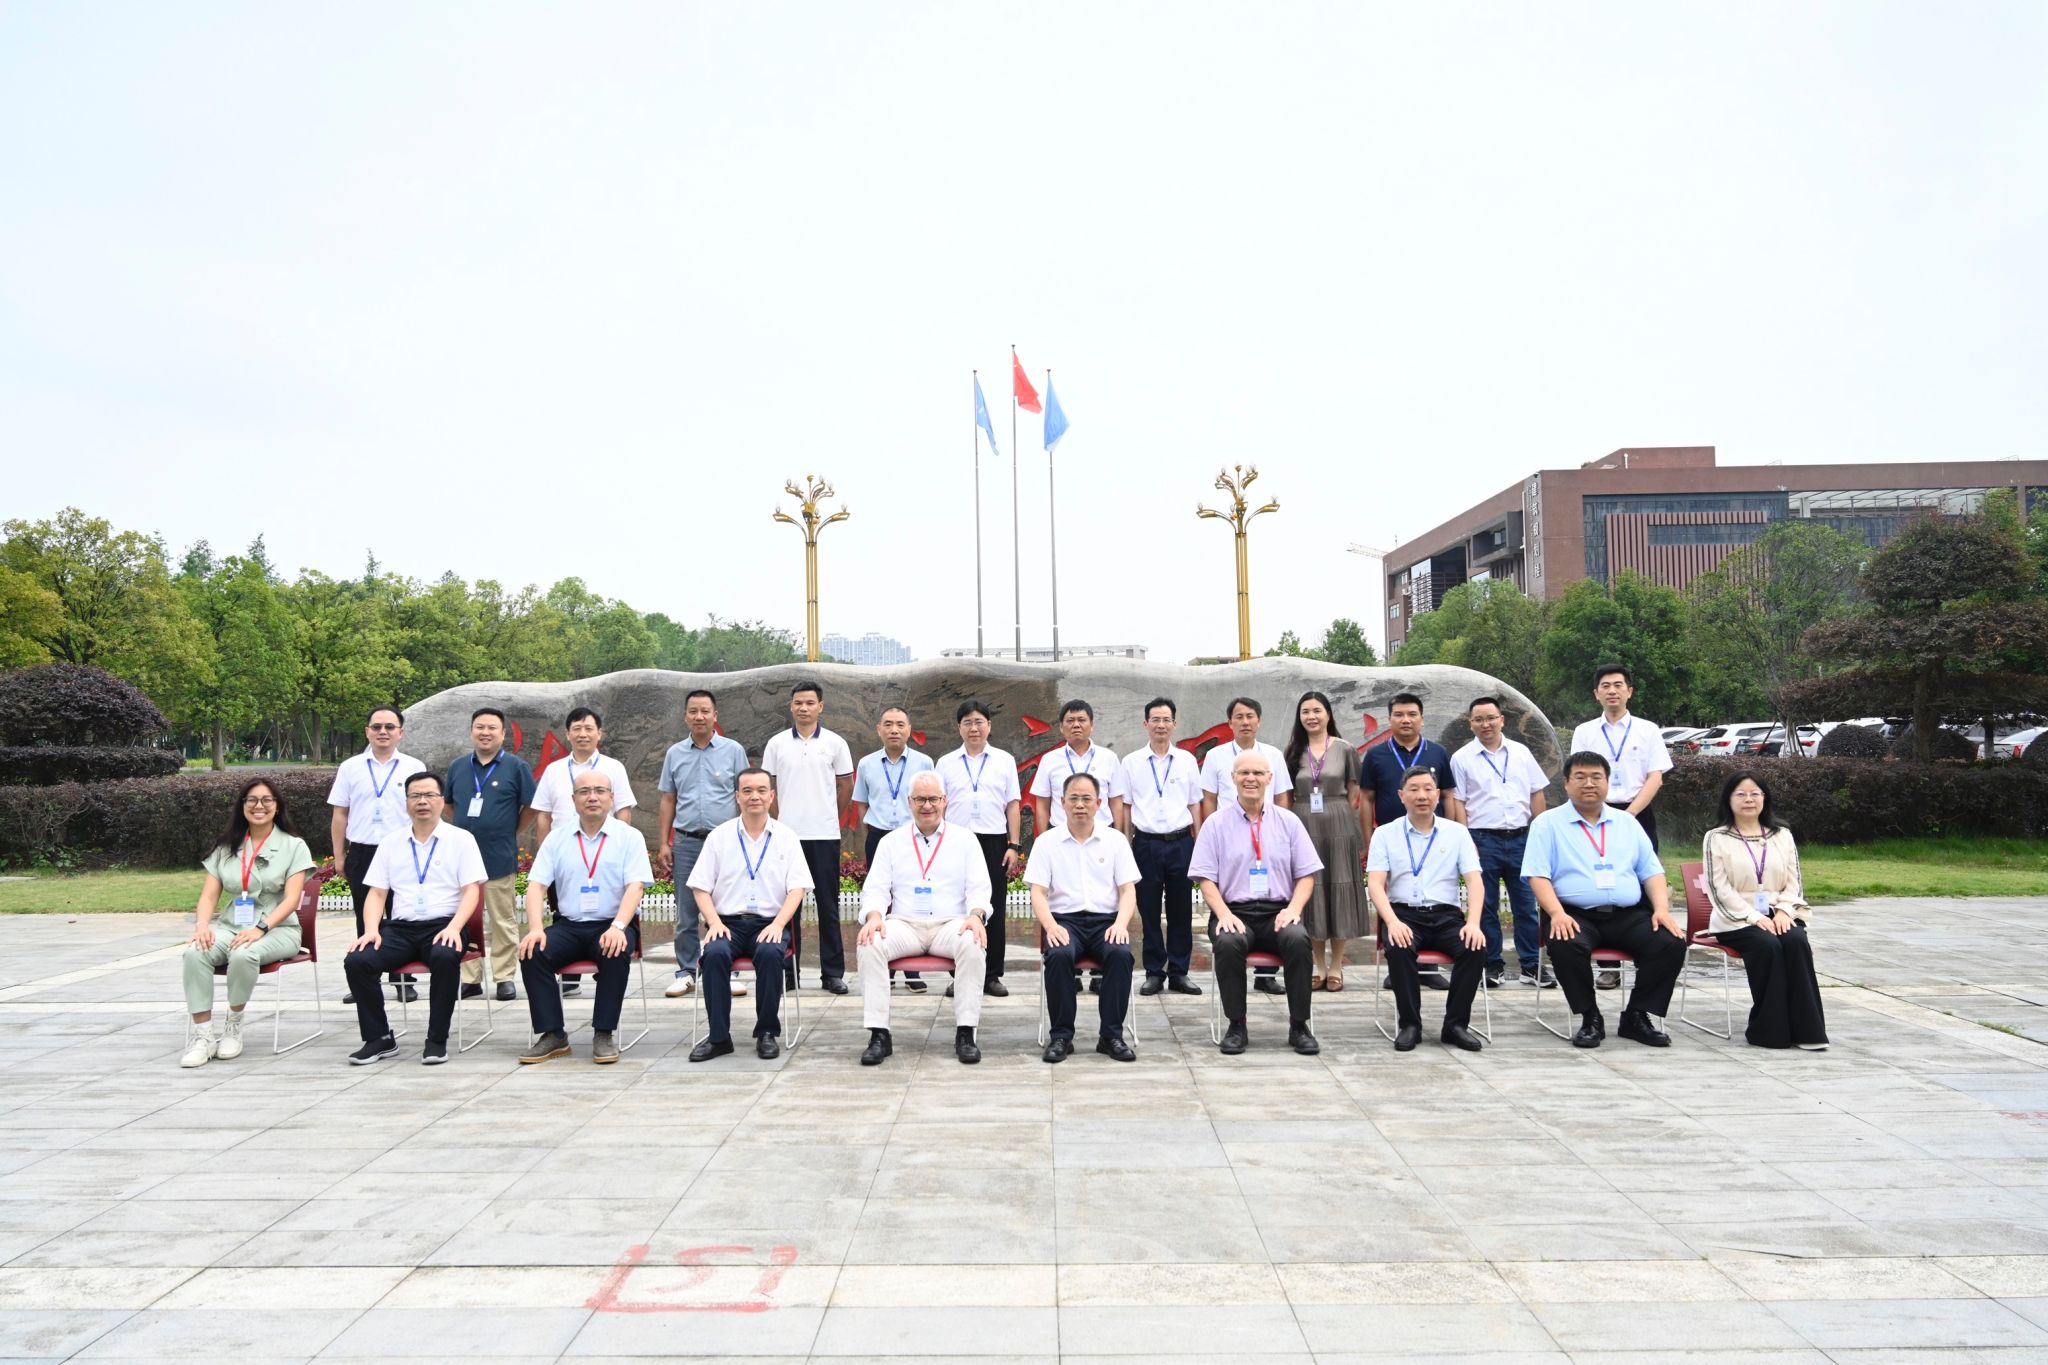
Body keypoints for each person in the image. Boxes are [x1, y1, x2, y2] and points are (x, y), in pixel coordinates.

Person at [1522, 751, 1685, 1049]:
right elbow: (1537, 875)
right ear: (1566, 783)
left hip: (1627, 914)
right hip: (1574, 914)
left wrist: (1661, 909)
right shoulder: (1547, 824)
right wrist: (1556, 913)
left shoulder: (1627, 823)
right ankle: (1590, 1017)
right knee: (1566, 944)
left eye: (1596, 777)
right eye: (1580, 777)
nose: (1589, 783)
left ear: (1608, 782)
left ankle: (1637, 1015)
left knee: (1670, 942)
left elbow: (1652, 872)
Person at [342, 773, 488, 1065]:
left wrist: (455, 928)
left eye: (429, 795)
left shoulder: (461, 840)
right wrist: (371, 930)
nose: (422, 801)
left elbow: (472, 891)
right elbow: (377, 893)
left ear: (442, 801)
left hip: (445, 924)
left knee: (444, 956)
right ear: (406, 802)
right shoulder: (391, 842)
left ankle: (436, 1039)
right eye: (415, 796)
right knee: (358, 961)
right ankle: (379, 1038)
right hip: (400, 929)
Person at [854, 772, 993, 1066]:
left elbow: (979, 888)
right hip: (905, 925)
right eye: (920, 799)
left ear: (944, 801)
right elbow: (875, 889)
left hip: (951, 924)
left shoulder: (965, 840)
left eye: (933, 799)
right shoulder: (891, 842)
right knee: (870, 941)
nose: (927, 805)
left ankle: (966, 1032)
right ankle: (879, 1034)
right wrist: (875, 916)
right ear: (909, 802)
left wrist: (976, 915)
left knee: (973, 941)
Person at [1191, 750, 1323, 1056]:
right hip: (1233, 911)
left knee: (1298, 939)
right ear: (1233, 778)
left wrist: (1293, 910)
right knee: (1228, 943)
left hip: (1278, 911)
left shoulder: (1289, 821)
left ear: (1269, 778)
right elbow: (1205, 879)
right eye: (1244, 773)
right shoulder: (1216, 824)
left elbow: (1307, 875)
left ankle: (1299, 1025)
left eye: (1258, 773)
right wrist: (1223, 914)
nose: (1251, 779)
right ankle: (1236, 1024)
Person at [179, 777, 317, 1068]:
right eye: (252, 800)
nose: (259, 806)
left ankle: (233, 1024)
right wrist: (202, 926)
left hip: (278, 929)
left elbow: (291, 899)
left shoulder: (294, 846)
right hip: (231, 927)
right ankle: (204, 1036)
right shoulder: (226, 846)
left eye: (267, 800)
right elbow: (208, 896)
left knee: (244, 953)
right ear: (242, 806)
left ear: (277, 806)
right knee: (195, 952)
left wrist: (260, 929)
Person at [515, 771, 650, 1065]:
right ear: (573, 799)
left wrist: (618, 927)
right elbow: (536, 886)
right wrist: (536, 928)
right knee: (532, 951)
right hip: (569, 926)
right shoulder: (557, 838)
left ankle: (603, 1032)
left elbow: (635, 886)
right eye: (584, 791)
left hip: (612, 924)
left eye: (600, 791)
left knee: (614, 949)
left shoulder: (629, 837)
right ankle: (553, 1034)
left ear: (611, 797)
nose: (592, 797)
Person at [685, 768, 812, 1062]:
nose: (755, 796)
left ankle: (766, 1033)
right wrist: (714, 922)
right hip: (727, 923)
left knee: (769, 953)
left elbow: (797, 889)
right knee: (714, 954)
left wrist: (779, 924)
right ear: (737, 797)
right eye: (747, 791)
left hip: (769, 923)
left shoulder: (787, 837)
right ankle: (719, 1038)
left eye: (761, 790)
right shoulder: (719, 837)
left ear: (771, 796)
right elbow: (700, 887)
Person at [1701, 772, 1827, 1051]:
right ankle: (1769, 1032)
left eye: (1755, 793)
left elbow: (1794, 882)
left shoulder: (1782, 835)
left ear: (1764, 798)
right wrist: (1754, 917)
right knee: (1767, 945)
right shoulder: (1716, 837)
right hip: (1736, 920)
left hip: (1778, 913)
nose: (1749, 799)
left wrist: (1784, 912)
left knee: (1795, 941)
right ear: (1728, 800)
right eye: (1741, 794)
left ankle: (1808, 1032)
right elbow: (1718, 888)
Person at [1366, 768, 1487, 1052]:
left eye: (1428, 789)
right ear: (1401, 795)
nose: (1422, 795)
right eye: (1414, 789)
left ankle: (1455, 1025)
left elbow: (1474, 881)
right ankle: (1410, 1024)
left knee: (1474, 948)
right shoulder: (1385, 834)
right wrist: (1392, 922)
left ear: (1438, 794)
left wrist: (1473, 923)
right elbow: (1375, 884)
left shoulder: (1457, 833)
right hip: (1403, 915)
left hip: (1447, 916)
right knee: (1399, 946)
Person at [1029, 772, 1142, 1063]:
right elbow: (1038, 892)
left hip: (1106, 921)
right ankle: (1061, 1037)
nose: (1080, 805)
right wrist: (1051, 926)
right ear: (1062, 802)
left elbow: (1128, 890)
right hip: (1064, 921)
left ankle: (1111, 1036)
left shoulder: (1115, 841)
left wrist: (1121, 924)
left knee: (1120, 955)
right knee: (1058, 955)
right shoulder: (1047, 842)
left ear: (1099, 803)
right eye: (1074, 798)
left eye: (1087, 799)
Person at [530, 706, 638, 999]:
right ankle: (568, 978)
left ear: (599, 733)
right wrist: (546, 854)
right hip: (565, 854)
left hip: (605, 851)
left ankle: (605, 963)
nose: (583, 734)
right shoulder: (554, 770)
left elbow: (623, 810)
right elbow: (543, 816)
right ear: (567, 734)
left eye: (589, 728)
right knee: (564, 915)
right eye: (576, 728)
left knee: (606, 918)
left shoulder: (613, 767)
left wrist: (619, 842)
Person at [1449, 696, 1552, 989]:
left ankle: (1531, 966)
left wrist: (1539, 833)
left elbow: (1536, 793)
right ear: (1471, 724)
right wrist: (1465, 840)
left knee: (1526, 905)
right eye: (1479, 719)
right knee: (1486, 906)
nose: (1486, 724)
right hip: (1482, 840)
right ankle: (1491, 965)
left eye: (1491, 718)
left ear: (1502, 720)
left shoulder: (1521, 753)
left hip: (1521, 838)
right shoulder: (1461, 758)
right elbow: (1458, 802)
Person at [762, 679, 855, 996]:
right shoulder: (776, 744)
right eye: (798, 703)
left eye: (810, 703)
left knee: (829, 906)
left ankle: (833, 974)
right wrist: (780, 820)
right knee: (789, 907)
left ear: (820, 706)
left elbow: (845, 785)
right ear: (791, 706)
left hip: (824, 835)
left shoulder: (835, 743)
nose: (804, 708)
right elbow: (768, 787)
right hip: (787, 837)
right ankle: (789, 972)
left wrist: (831, 816)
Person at [326, 705, 425, 1004]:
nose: (383, 732)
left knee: (400, 916)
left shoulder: (413, 766)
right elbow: (340, 814)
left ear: (401, 732)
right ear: (367, 731)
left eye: (389, 727)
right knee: (364, 916)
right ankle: (364, 981)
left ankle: (403, 979)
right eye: (377, 727)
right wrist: (339, 856)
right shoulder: (350, 767)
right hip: (363, 852)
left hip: (402, 853)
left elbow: (422, 812)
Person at [657, 689, 749, 1000]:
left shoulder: (733, 750)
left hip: (726, 842)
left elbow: (745, 794)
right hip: (687, 842)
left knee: (727, 908)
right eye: (693, 711)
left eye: (705, 711)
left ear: (715, 716)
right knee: (686, 911)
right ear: (685, 716)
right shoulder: (675, 754)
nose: (699, 716)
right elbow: (668, 799)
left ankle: (728, 970)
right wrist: (664, 842)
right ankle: (686, 972)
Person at [443, 707, 536, 1002]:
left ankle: (504, 977)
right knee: (465, 919)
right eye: (480, 727)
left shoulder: (516, 767)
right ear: (472, 731)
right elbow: (448, 805)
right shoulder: (458, 767)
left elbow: (531, 807)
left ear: (503, 733)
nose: (485, 733)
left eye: (492, 728)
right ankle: (470, 978)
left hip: (498, 856)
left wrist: (509, 829)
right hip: (461, 860)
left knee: (502, 920)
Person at [1115, 697, 1204, 996]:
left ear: (1174, 724)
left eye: (1166, 720)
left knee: (1181, 910)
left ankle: (1179, 972)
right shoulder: (1131, 762)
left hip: (1180, 842)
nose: (1161, 725)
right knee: (1149, 910)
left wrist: (1199, 844)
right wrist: (1125, 844)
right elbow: (1126, 807)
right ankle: (1154, 972)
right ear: (1146, 724)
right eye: (1155, 720)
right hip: (1146, 844)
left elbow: (1194, 804)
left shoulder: (1187, 761)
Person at [935, 699, 1024, 998]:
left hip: (993, 841)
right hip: (955, 842)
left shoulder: (1004, 760)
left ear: (989, 725)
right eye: (967, 723)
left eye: (979, 722)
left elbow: (1013, 805)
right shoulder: (945, 763)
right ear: (959, 728)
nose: (974, 728)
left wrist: (1014, 845)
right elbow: (939, 806)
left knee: (993, 907)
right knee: (956, 909)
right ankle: (958, 975)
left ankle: (992, 975)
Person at [1284, 690, 1369, 992]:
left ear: (1328, 714)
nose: (1311, 716)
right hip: (1303, 822)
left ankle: (1337, 965)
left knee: (1339, 886)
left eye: (1317, 710)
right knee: (1313, 889)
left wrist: (1347, 821)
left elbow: (1355, 793)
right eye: (1305, 711)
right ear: (1300, 717)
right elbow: (1287, 794)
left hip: (1339, 821)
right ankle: (1318, 963)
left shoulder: (1345, 749)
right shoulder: (1293, 751)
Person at [852, 706, 936, 993]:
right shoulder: (866, 764)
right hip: (878, 835)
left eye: (900, 724)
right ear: (879, 730)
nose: (894, 730)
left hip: (914, 836)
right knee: (880, 898)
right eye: (888, 724)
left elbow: (931, 802)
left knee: (911, 897)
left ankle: (912, 970)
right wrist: (870, 835)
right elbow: (862, 804)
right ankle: (885, 967)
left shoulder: (924, 762)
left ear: (909, 729)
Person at [1569, 665, 1673, 849]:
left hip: (1638, 813)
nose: (1612, 691)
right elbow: (1578, 776)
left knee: (1642, 865)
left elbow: (1655, 778)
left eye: (1618, 685)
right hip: (1595, 813)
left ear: (1629, 691)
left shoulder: (1648, 730)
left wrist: (1630, 814)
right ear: (1597, 694)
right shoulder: (1584, 732)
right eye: (1605, 686)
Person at [1028, 699, 1126, 833]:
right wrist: (1044, 839)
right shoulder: (1049, 760)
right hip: (1060, 834)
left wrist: (1118, 837)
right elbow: (1042, 805)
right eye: (1070, 721)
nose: (1076, 725)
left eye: (1081, 720)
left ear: (1091, 725)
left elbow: (1116, 801)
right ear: (1061, 727)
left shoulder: (1109, 758)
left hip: (1102, 833)